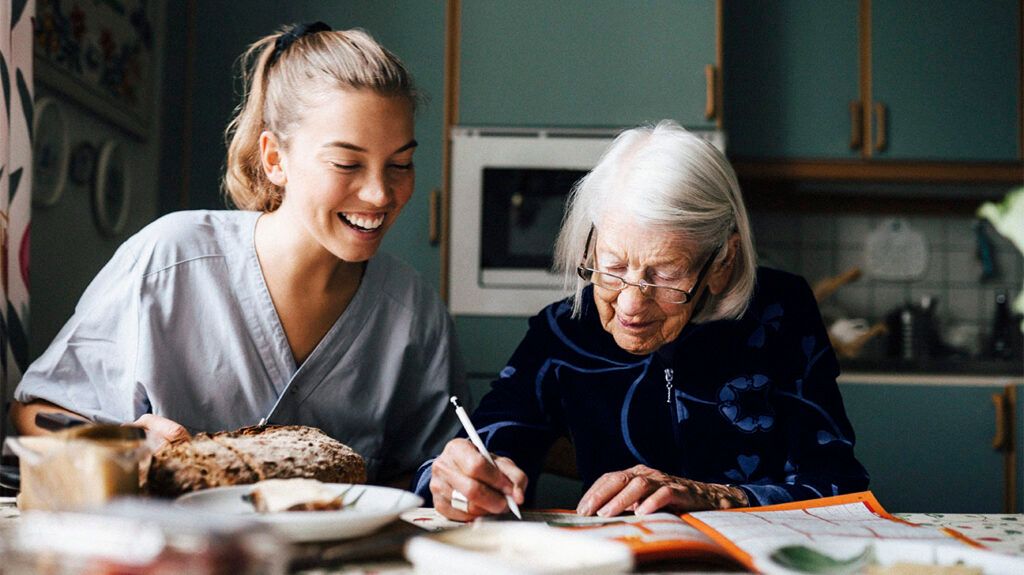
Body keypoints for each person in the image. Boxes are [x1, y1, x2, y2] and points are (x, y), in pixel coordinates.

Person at [11, 23, 466, 485]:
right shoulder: (169, 259)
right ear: (275, 160)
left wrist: (458, 480)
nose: (379, 193)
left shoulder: (415, 312)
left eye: (400, 164)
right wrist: (119, 443)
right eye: (347, 163)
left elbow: (432, 469)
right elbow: (35, 412)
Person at [415, 120, 868, 519]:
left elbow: (841, 486)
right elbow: (473, 450)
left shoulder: (781, 312)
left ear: (723, 262)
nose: (631, 305)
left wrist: (719, 497)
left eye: (666, 276)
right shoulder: (563, 332)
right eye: (612, 268)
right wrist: (460, 479)